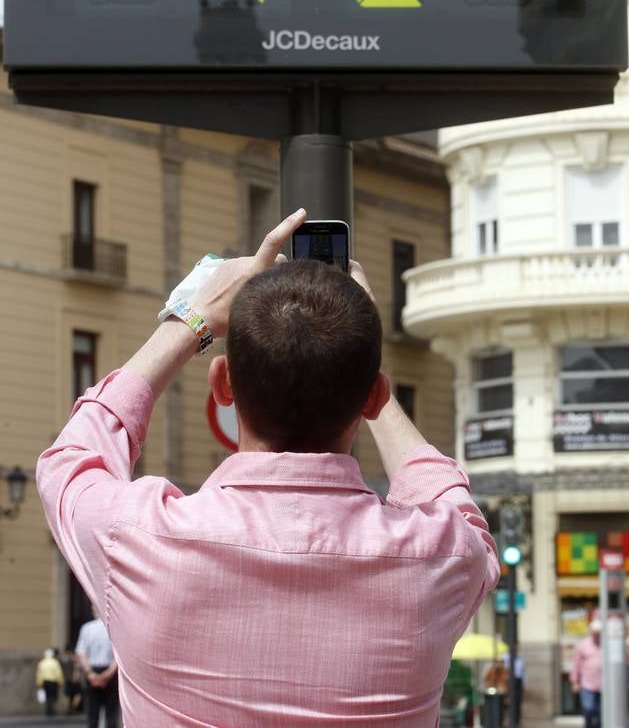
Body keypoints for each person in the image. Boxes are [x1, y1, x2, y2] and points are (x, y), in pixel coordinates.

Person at [37, 209, 500, 726]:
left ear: (223, 385)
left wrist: (193, 319)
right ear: (373, 397)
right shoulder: (443, 558)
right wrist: (358, 364)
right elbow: (450, 502)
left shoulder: (138, 538)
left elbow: (73, 457)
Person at [75, 611, 119, 728]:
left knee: (92, 713)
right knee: (112, 713)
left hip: (92, 671)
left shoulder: (87, 628)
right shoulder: (115, 627)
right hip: (111, 672)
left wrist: (90, 674)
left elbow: (81, 653)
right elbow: (119, 655)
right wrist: (107, 674)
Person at [571, 614, 602, 728]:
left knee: (600, 714)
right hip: (587, 685)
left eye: (599, 633)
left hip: (603, 685)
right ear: (591, 632)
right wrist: (575, 681)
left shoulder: (605, 645)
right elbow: (576, 664)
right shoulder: (583, 645)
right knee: (589, 710)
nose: (597, 635)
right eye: (595, 633)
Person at [35, 648, 64, 717]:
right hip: (53, 681)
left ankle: (48, 709)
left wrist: (39, 682)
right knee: (53, 695)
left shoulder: (42, 663)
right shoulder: (55, 662)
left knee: (47, 695)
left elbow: (39, 673)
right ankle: (51, 708)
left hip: (45, 681)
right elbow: (58, 673)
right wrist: (61, 681)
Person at [60, 643, 83, 714]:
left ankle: (68, 709)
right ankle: (72, 708)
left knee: (67, 694)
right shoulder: (75, 658)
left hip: (67, 678)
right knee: (77, 694)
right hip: (76, 679)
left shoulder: (64, 659)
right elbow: (79, 668)